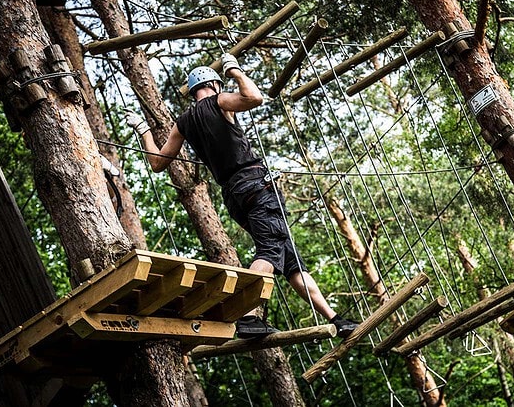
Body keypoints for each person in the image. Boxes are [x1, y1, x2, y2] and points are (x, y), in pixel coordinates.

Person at [125, 53, 358, 338]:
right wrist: (234, 70)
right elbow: (254, 97)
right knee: (270, 252)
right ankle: (248, 318)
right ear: (214, 85)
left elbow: (158, 162)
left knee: (289, 260)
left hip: (234, 196)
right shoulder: (219, 101)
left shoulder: (183, 122)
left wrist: (144, 131)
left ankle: (335, 318)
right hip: (256, 187)